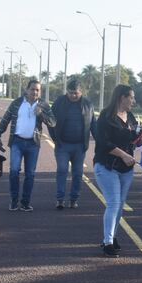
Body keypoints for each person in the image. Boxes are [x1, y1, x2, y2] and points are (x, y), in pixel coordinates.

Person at [93, 85, 142, 257]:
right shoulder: (105, 117)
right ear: (121, 98)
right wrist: (123, 155)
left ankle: (113, 236)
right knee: (114, 203)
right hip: (107, 166)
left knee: (120, 206)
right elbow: (103, 143)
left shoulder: (130, 117)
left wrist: (141, 136)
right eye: (131, 97)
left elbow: (133, 141)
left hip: (126, 169)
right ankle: (107, 242)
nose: (134, 101)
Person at [0, 79, 56, 212]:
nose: (35, 92)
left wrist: (41, 114)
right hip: (17, 141)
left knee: (30, 174)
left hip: (33, 144)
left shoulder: (43, 105)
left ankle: (25, 202)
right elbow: (5, 119)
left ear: (40, 92)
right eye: (33, 89)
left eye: (37, 90)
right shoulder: (17, 103)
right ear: (27, 90)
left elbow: (53, 122)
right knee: (14, 171)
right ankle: (14, 200)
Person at [49, 79, 97, 210]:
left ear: (81, 92)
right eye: (70, 93)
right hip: (62, 145)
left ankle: (73, 199)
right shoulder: (59, 102)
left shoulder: (88, 104)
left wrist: (100, 141)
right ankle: (60, 199)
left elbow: (93, 124)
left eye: (75, 93)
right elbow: (50, 121)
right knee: (62, 170)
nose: (72, 96)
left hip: (79, 146)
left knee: (78, 173)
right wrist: (54, 138)